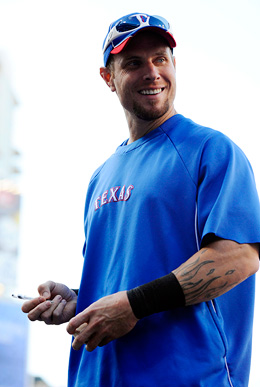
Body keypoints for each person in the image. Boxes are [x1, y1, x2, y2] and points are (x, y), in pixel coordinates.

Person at [22, 12, 260, 387]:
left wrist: (134, 305)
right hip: (96, 377)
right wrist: (79, 299)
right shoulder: (102, 176)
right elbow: (125, 280)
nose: (152, 73)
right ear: (108, 78)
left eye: (160, 59)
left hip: (187, 377)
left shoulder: (210, 150)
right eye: (134, 63)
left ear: (174, 65)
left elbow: (240, 256)